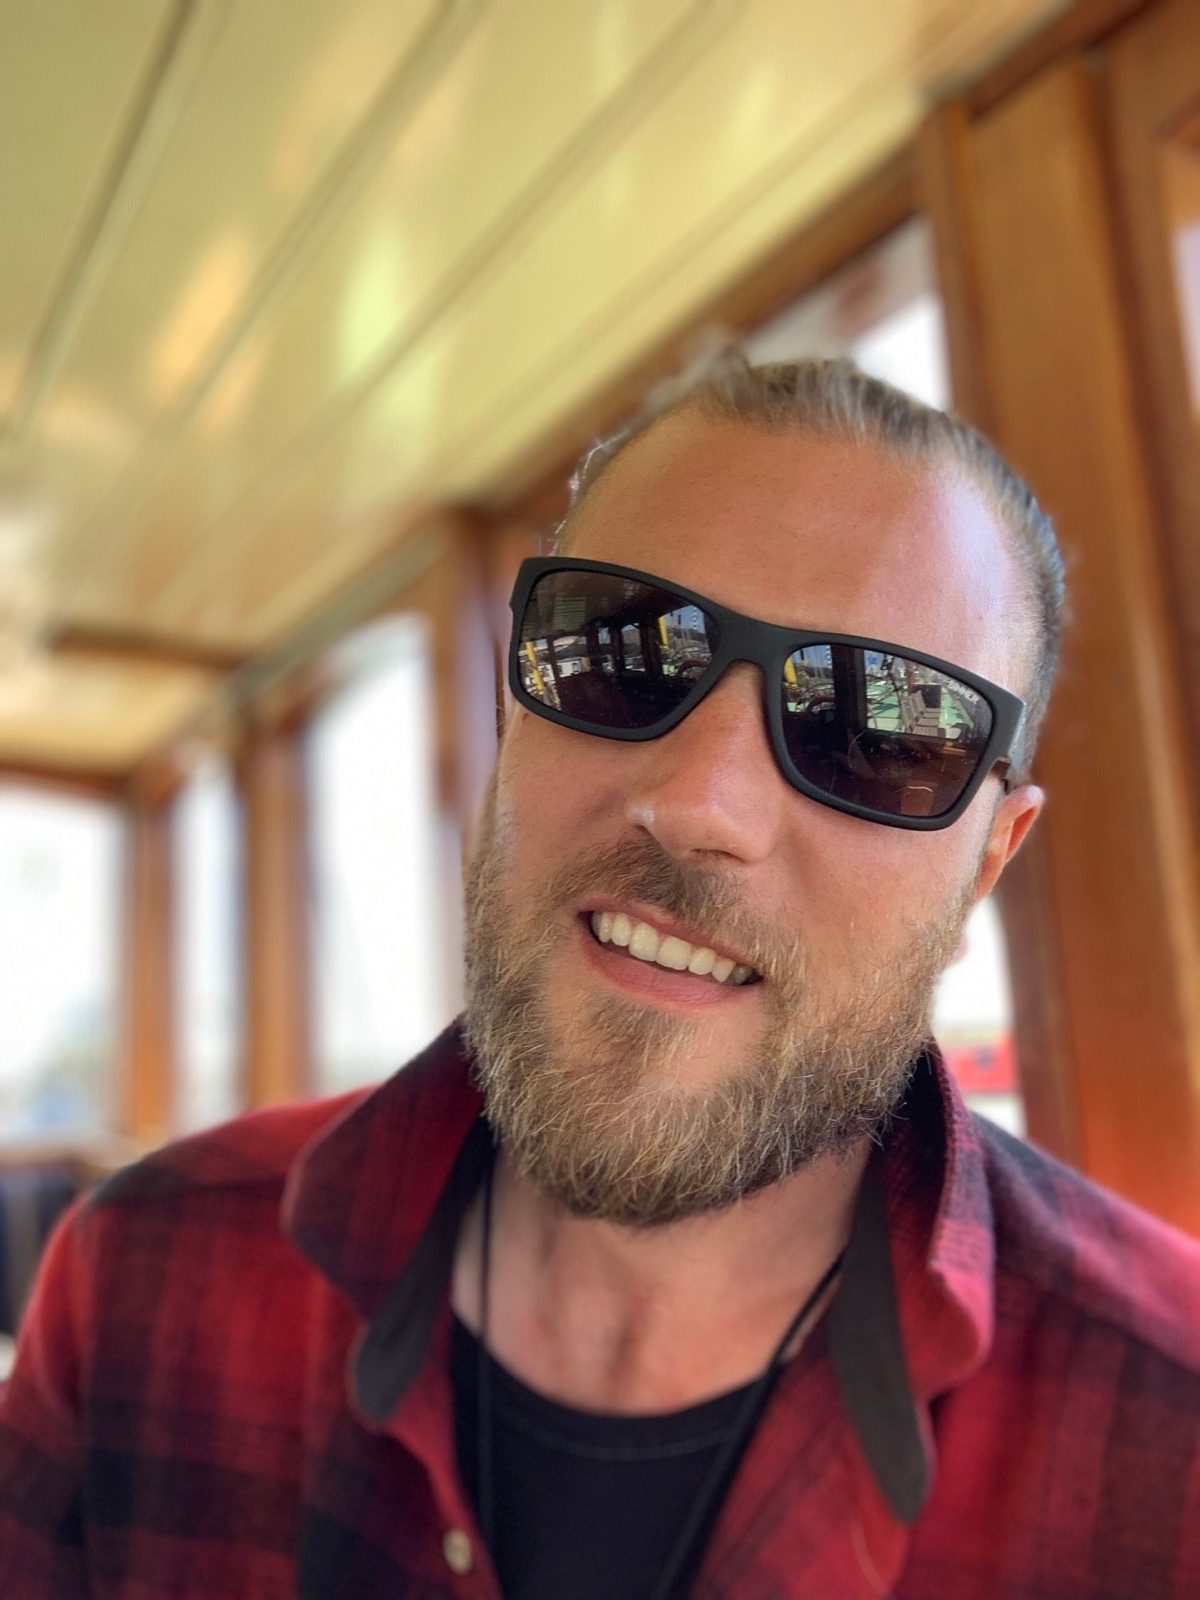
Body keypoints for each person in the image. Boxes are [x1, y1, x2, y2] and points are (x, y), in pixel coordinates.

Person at [1, 356, 1197, 1599]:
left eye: (875, 733)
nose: (701, 804)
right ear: (516, 710)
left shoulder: (1173, 1450)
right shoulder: (139, 1283)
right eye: (619, 653)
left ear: (987, 865)